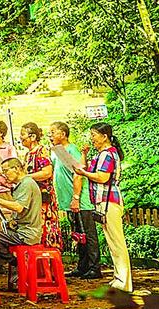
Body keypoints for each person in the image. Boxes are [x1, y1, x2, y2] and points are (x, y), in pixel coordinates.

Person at [76, 122, 132, 291]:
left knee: (117, 242)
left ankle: (124, 281)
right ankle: (119, 278)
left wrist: (84, 174)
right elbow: (84, 168)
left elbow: (102, 177)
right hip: (104, 201)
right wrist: (83, 155)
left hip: (110, 202)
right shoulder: (101, 154)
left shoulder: (107, 154)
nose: (92, 138)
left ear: (104, 136)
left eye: (94, 135)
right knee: (112, 242)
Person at [50, 122, 101, 279]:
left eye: (53, 132)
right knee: (78, 235)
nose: (50, 135)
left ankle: (94, 267)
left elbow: (78, 173)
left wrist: (76, 198)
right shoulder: (56, 152)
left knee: (88, 234)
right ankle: (82, 266)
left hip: (80, 200)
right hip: (67, 200)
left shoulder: (71, 150)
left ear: (63, 134)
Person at [0, 157, 44, 281]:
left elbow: (19, 207)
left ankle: (14, 262)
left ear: (16, 168)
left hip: (27, 234)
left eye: (6, 171)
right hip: (20, 229)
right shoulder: (21, 184)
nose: (4, 175)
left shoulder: (27, 184)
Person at [19, 122, 60, 250]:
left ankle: (48, 256)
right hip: (33, 197)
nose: (20, 138)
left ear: (32, 137)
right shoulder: (28, 155)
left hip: (43, 197)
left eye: (23, 134)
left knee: (45, 226)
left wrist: (26, 177)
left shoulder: (42, 151)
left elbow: (47, 172)